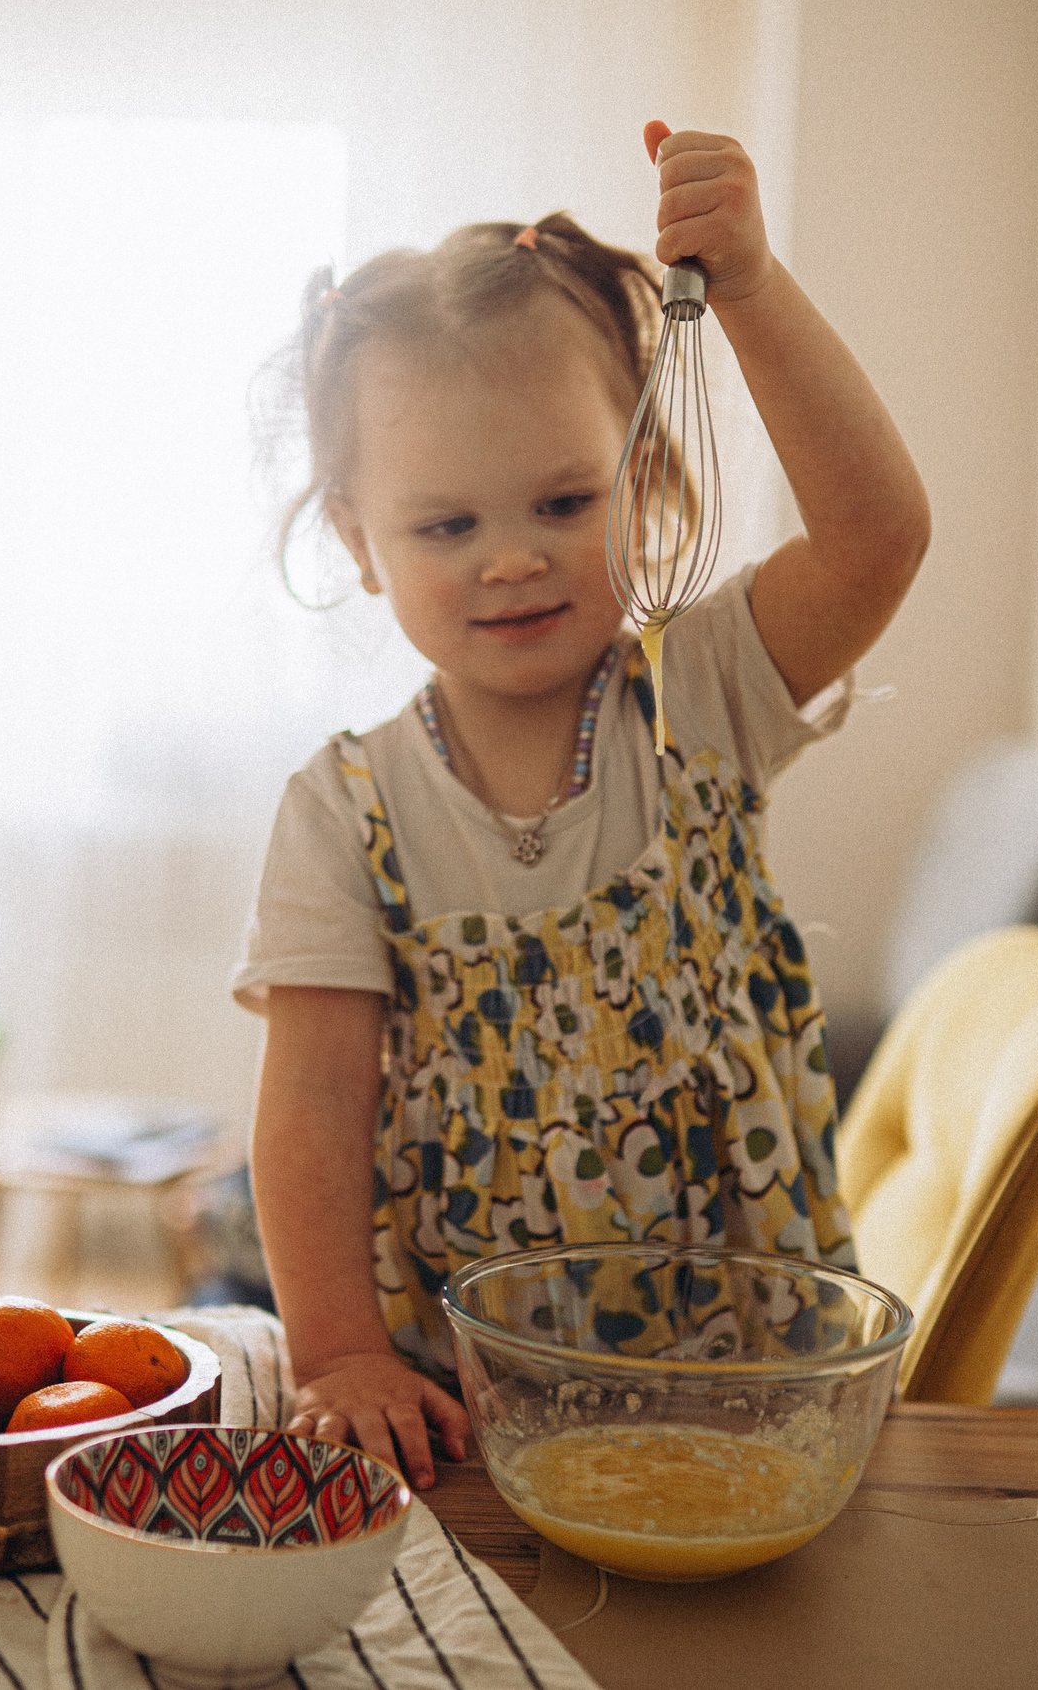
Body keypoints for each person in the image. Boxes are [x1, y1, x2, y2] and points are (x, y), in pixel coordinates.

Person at [233, 120, 931, 1488]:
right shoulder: (342, 809)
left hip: (745, 1387)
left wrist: (750, 289)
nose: (511, 561)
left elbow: (878, 536)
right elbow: (311, 1106)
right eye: (447, 526)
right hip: (460, 1404)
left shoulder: (706, 693)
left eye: (563, 502)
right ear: (360, 543)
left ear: (648, 484)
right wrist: (339, 1356)